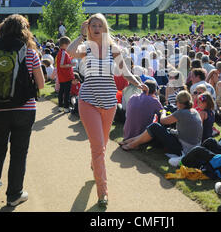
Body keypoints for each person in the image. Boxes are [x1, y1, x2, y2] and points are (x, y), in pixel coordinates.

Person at [66, 13, 148, 207]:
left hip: (109, 102)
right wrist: (81, 35)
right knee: (98, 148)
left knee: (101, 146)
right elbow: (69, 52)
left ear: (104, 28)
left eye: (99, 25)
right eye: (92, 25)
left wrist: (138, 83)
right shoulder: (86, 47)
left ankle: (95, 166)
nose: (96, 28)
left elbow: (125, 71)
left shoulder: (114, 49)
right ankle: (102, 192)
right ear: (88, 28)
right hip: (88, 101)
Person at [0, 14, 45, 206]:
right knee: (19, 152)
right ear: (25, 31)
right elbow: (41, 84)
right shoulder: (30, 53)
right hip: (24, 109)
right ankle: (14, 194)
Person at [120, 90, 203, 158]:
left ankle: (132, 144)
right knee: (159, 129)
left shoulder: (181, 112)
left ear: (179, 103)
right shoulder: (194, 111)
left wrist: (163, 112)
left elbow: (163, 120)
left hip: (184, 149)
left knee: (155, 127)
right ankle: (131, 141)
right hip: (193, 146)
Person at [56, 36, 74, 113]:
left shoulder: (61, 52)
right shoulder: (63, 52)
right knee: (66, 92)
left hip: (62, 76)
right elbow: (62, 65)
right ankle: (66, 107)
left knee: (61, 91)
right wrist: (71, 65)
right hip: (66, 76)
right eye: (68, 45)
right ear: (64, 45)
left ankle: (60, 106)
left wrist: (70, 59)